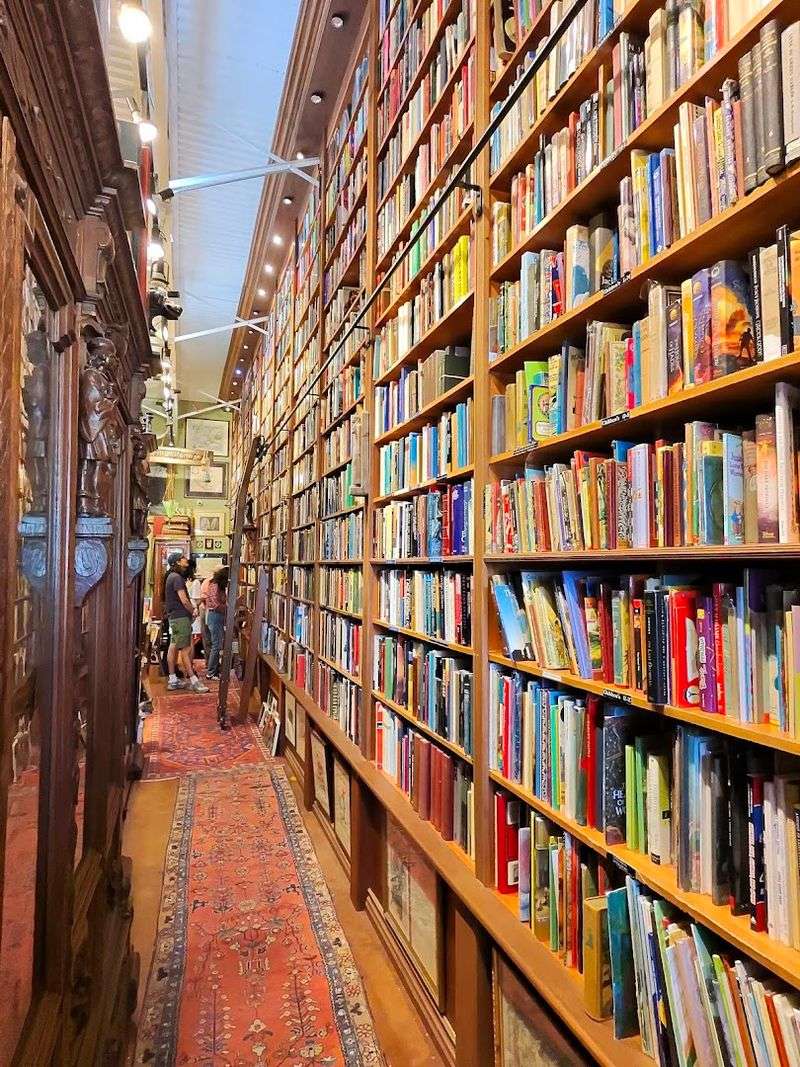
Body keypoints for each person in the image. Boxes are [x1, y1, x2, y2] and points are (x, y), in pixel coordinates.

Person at [164, 552, 209, 693]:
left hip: (175, 617)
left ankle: (172, 679)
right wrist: (193, 611)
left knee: (174, 646)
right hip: (181, 617)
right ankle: (194, 681)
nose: (186, 560)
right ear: (178, 562)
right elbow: (184, 600)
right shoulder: (177, 578)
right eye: (183, 558)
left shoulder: (171, 576)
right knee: (186, 649)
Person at [203, 566, 229, 680]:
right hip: (215, 616)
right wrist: (230, 607)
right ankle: (211, 672)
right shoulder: (215, 585)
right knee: (216, 645)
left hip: (217, 616)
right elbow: (215, 604)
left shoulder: (219, 586)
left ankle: (214, 670)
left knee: (217, 644)